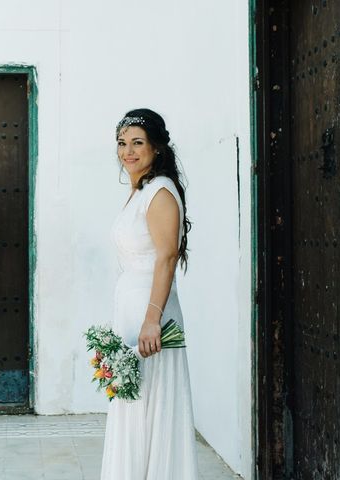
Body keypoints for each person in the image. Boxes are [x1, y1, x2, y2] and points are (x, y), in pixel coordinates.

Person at [101, 109, 199, 478]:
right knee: (133, 402)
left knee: (152, 404)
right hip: (132, 311)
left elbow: (167, 256)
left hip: (150, 315)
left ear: (156, 148)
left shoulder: (159, 192)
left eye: (137, 143)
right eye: (122, 143)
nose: (128, 151)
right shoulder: (139, 191)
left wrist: (152, 319)